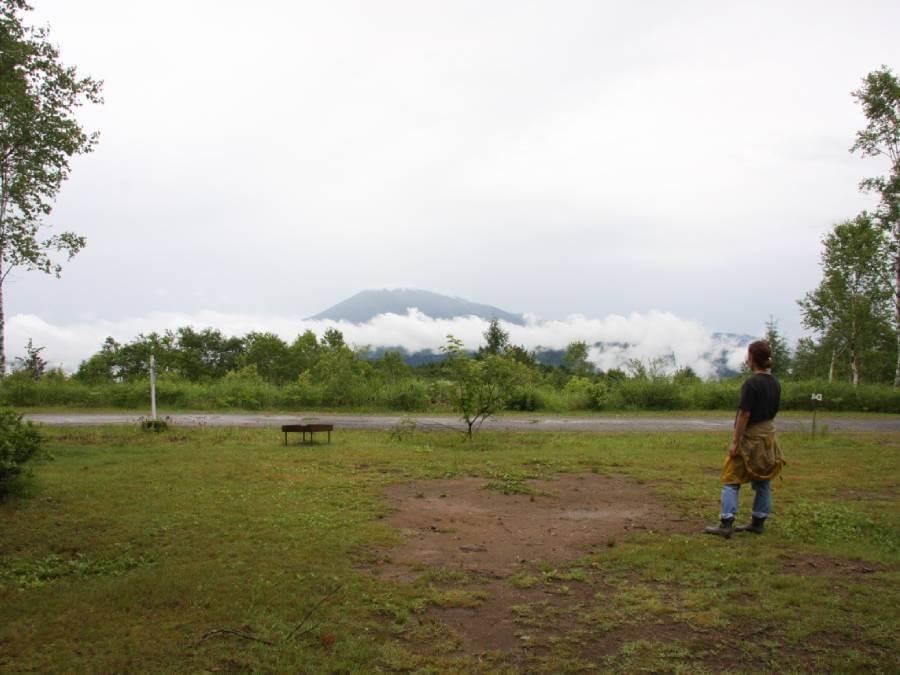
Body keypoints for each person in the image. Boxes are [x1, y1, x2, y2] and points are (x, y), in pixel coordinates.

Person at [704, 340, 785, 539]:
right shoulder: (774, 382)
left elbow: (744, 414)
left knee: (731, 478)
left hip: (751, 437)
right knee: (763, 478)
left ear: (751, 358)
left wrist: (735, 441)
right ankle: (758, 522)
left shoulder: (751, 384)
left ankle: (726, 523)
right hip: (768, 436)